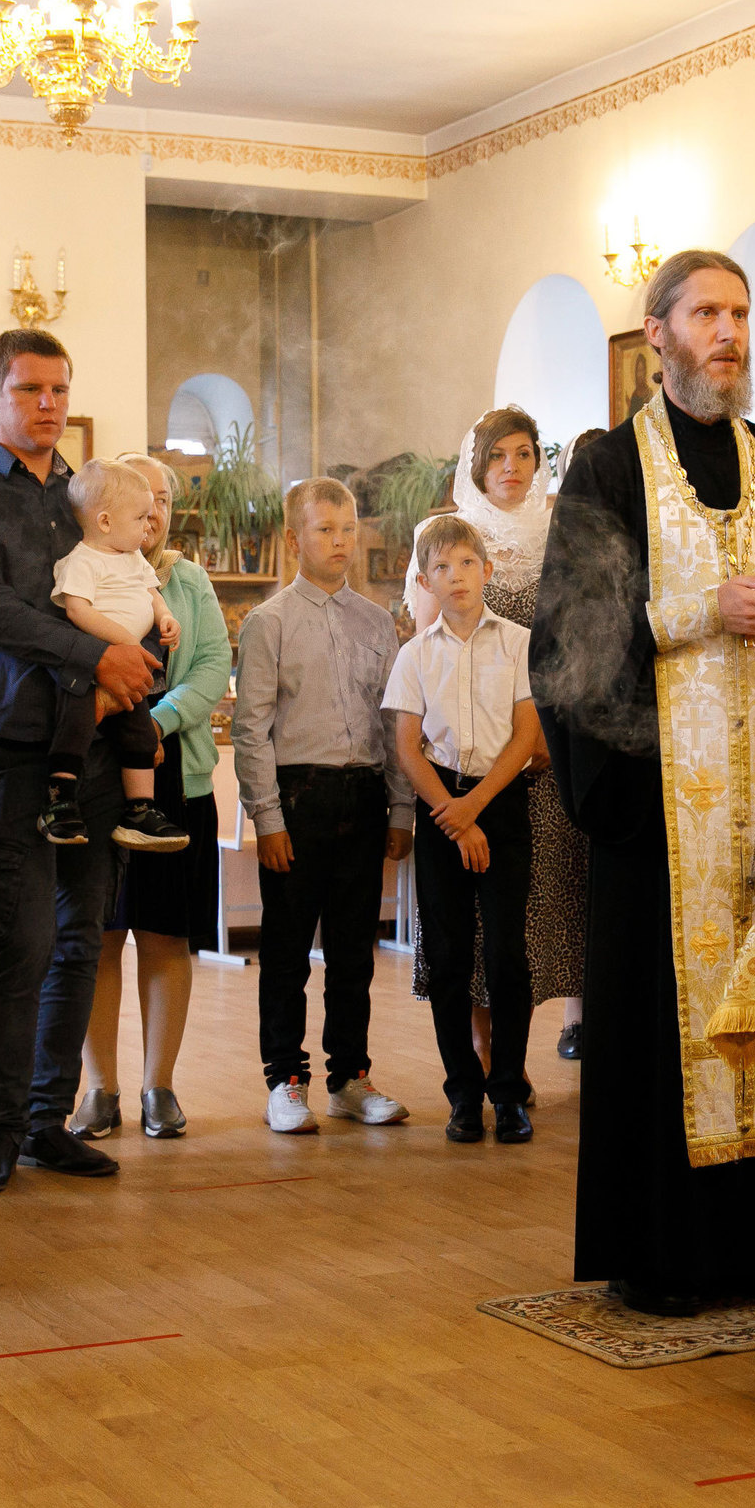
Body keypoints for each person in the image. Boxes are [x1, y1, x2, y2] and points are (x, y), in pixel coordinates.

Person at [532, 249, 755, 1316]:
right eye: (706, 314)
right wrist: (699, 615)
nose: (727, 332)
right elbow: (570, 638)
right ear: (659, 336)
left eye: (739, 312)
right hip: (661, 806)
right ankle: (664, 1252)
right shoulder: (606, 470)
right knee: (661, 1026)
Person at [0, 328, 152, 1193]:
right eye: (29, 390)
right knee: (18, 941)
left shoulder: (82, 492)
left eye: (59, 389)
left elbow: (125, 573)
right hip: (9, 738)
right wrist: (97, 655)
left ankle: (50, 1118)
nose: (48, 404)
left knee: (81, 938)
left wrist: (140, 634)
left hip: (92, 737)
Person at [404, 407, 589, 1070]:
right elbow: (427, 654)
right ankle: (479, 1058)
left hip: (542, 757)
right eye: (496, 457)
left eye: (522, 454)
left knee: (528, 919)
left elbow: (572, 644)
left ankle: (515, 1058)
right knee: (473, 923)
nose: (511, 468)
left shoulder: (556, 537)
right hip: (474, 763)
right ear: (476, 467)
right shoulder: (451, 536)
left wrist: (553, 733)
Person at [232, 475, 414, 1134]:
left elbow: (395, 721)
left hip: (363, 796)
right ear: (294, 539)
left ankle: (350, 1077)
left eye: (347, 528)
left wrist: (399, 808)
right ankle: (285, 1077)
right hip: (297, 796)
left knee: (353, 950)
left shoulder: (376, 622)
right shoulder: (268, 621)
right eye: (324, 529)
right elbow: (251, 728)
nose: (339, 541)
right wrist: (267, 817)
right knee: (284, 951)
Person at [71, 454, 229, 1141]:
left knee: (166, 933)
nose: (156, 511)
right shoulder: (83, 568)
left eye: (164, 499)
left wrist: (154, 722)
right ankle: (98, 1088)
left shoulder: (188, 581)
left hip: (175, 770)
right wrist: (126, 713)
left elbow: (212, 668)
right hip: (103, 767)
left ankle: (158, 1085)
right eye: (145, 498)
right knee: (99, 934)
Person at [389, 515, 542, 1144]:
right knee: (448, 958)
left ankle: (508, 1091)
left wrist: (475, 806)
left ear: (487, 571)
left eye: (467, 564)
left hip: (498, 802)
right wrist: (454, 816)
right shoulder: (415, 653)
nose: (457, 578)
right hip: (440, 806)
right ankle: (462, 1095)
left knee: (507, 955)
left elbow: (528, 734)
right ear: (426, 581)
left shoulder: (517, 642)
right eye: (442, 569)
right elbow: (406, 745)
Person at [43, 457, 189, 852]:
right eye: (140, 517)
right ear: (105, 521)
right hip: (88, 665)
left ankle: (139, 809)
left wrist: (165, 616)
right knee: (74, 726)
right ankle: (61, 802)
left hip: (129, 664)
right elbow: (78, 610)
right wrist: (124, 642)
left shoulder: (133, 558)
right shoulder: (81, 561)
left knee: (139, 731)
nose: (149, 524)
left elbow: (150, 592)